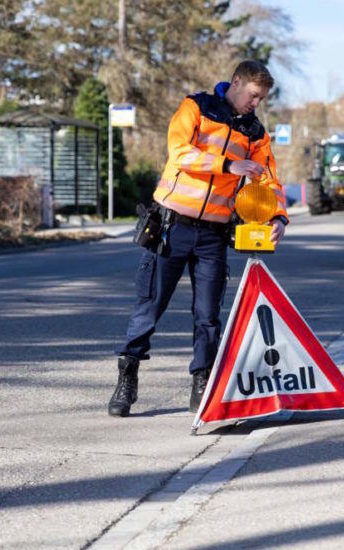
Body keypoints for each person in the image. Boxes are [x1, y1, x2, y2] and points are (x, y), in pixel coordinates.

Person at [108, 60, 289, 417]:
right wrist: (228, 165)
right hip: (170, 228)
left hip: (212, 235)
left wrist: (279, 215)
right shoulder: (196, 108)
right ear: (236, 83)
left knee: (208, 316)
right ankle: (127, 377)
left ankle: (202, 382)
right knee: (150, 307)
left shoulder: (254, 132)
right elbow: (180, 153)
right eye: (254, 96)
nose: (256, 104)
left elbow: (268, 178)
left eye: (262, 99)